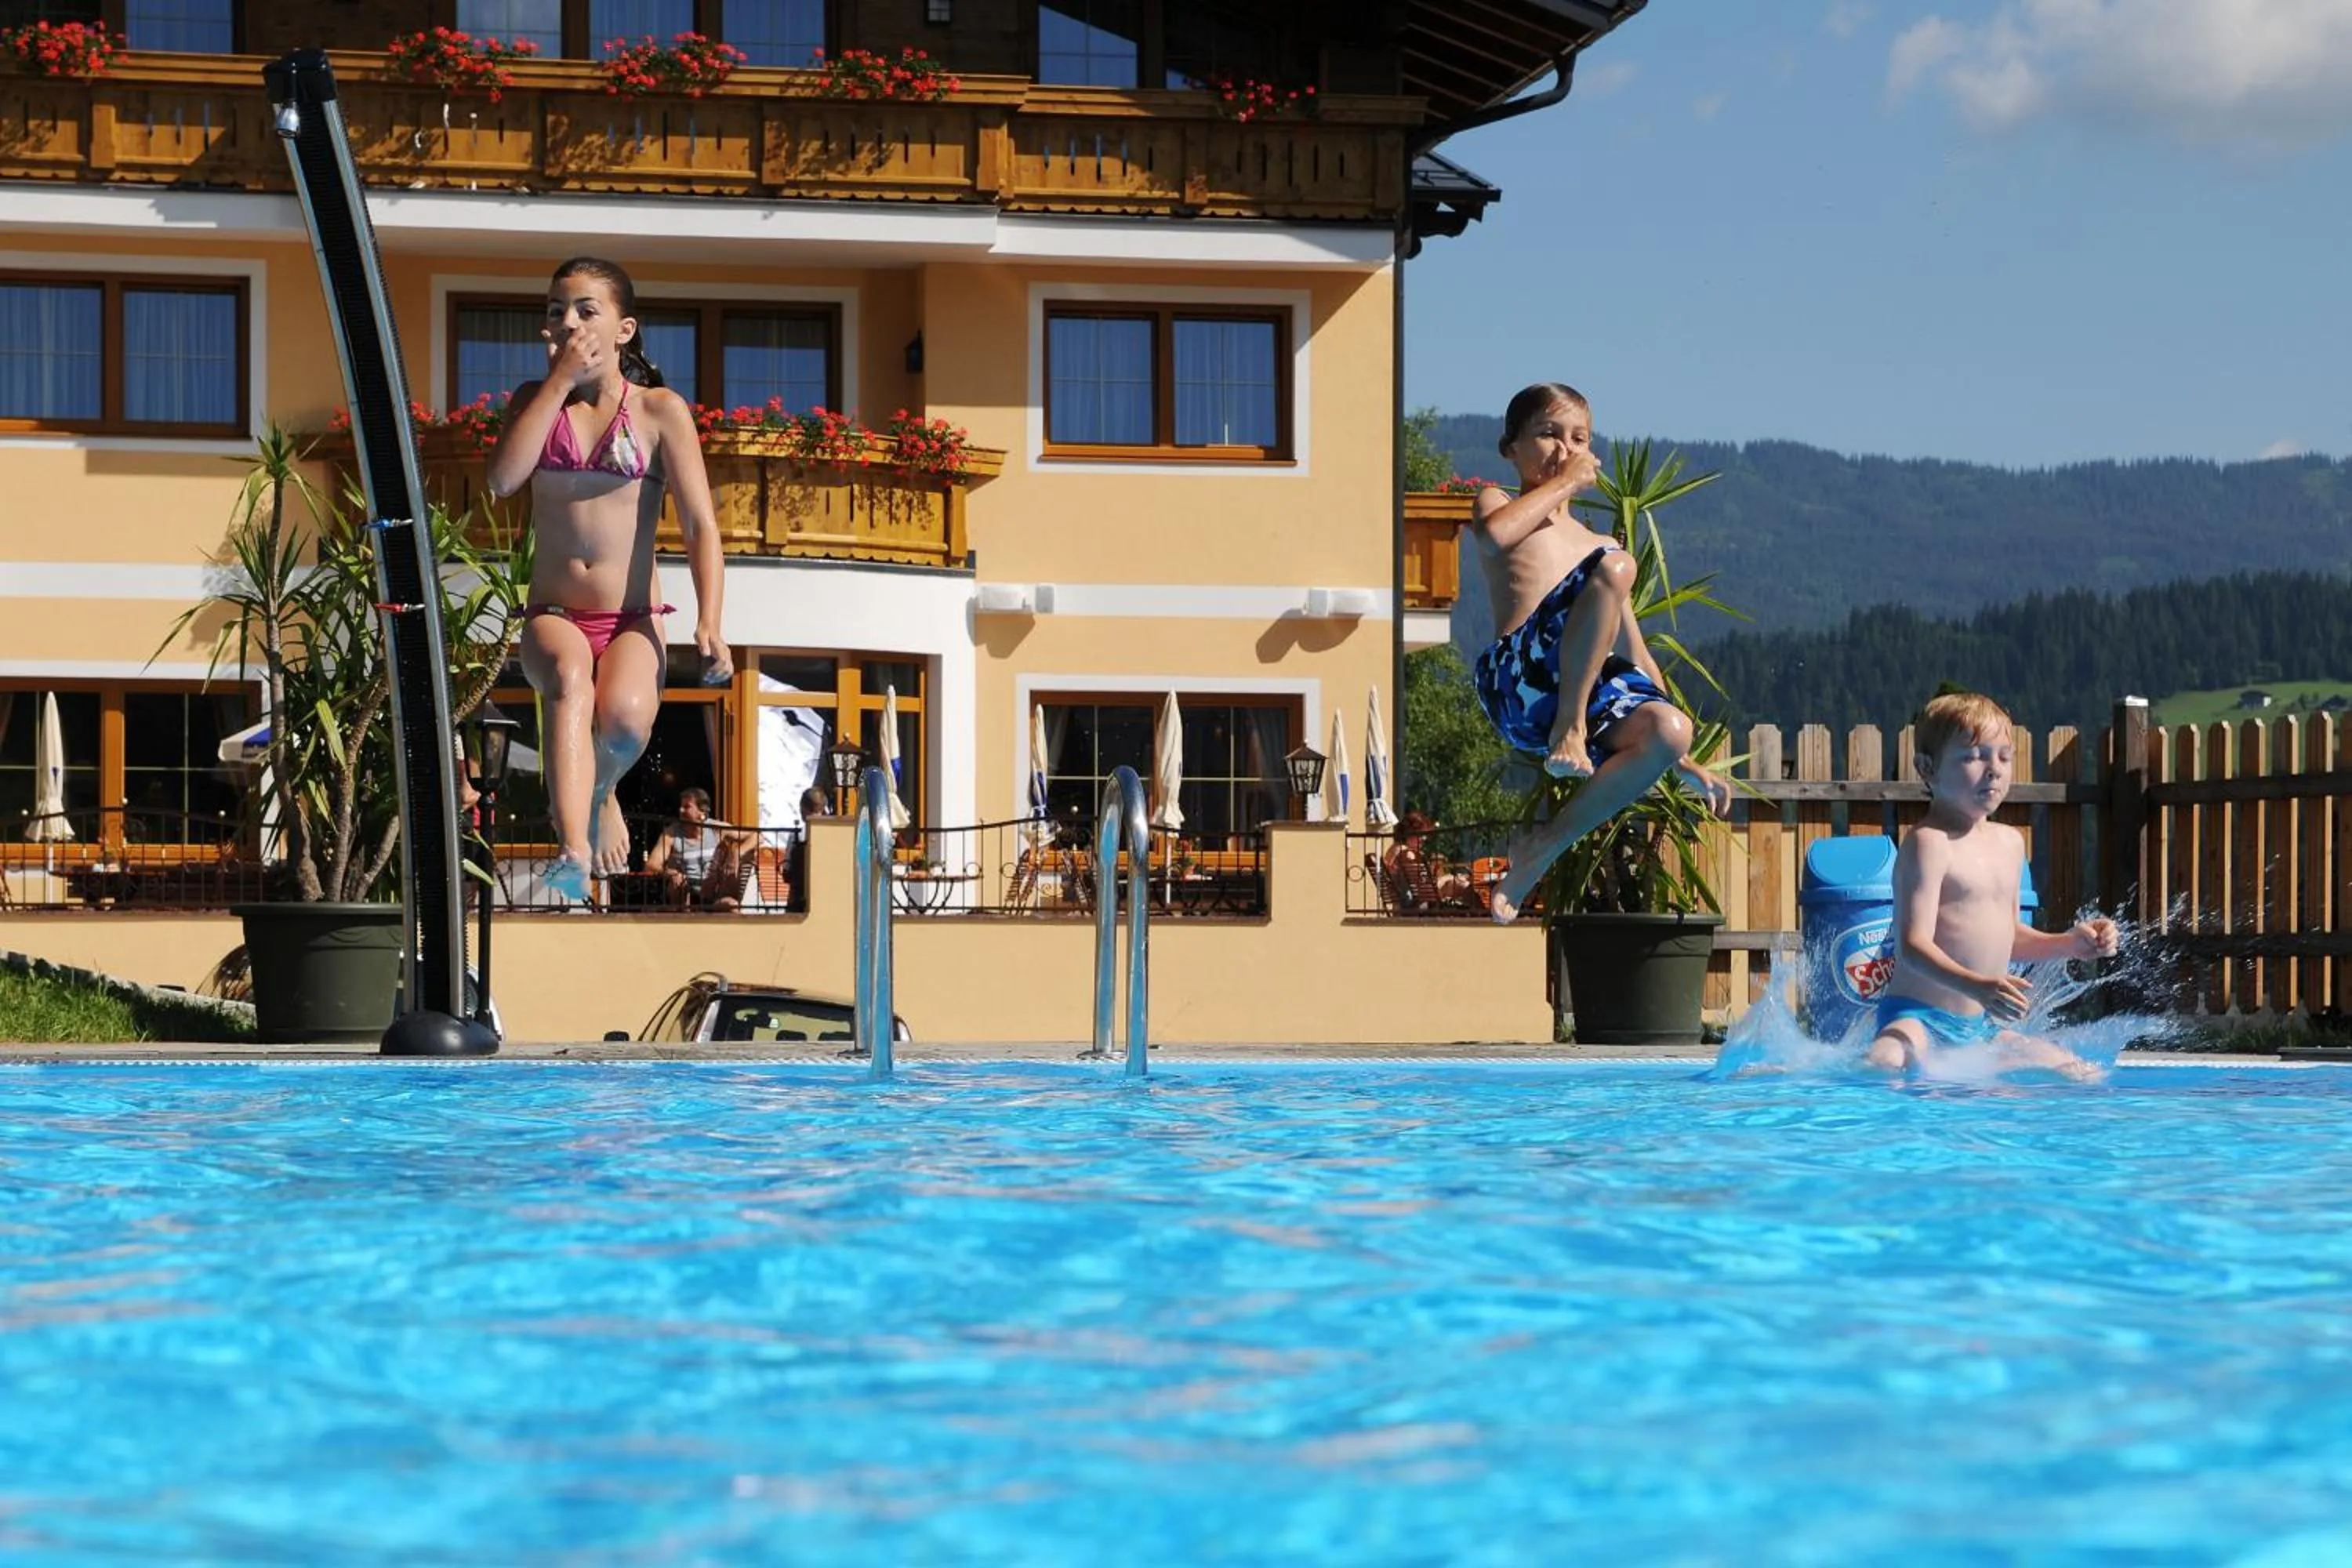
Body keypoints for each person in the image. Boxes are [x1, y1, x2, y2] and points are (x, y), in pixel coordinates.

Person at [487, 256, 731, 902]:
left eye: (585, 311)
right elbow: (503, 479)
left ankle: (599, 795)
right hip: (554, 613)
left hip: (632, 617)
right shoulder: (532, 405)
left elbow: (702, 524)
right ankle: (571, 850)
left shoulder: (658, 412)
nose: (568, 323)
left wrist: (710, 621)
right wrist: (560, 379)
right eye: (555, 312)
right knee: (568, 681)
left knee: (623, 722)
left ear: (624, 330)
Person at [1466, 382, 1731, 923]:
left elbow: (1633, 655)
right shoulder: (1499, 503)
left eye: (1578, 439)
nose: (1565, 449)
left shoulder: (1598, 549)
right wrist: (1564, 484)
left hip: (1582, 692)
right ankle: (1571, 729)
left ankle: (1541, 849)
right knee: (1617, 564)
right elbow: (1494, 539)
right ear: (1510, 448)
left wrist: (1678, 755)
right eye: (1547, 434)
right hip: (1520, 684)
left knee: (1669, 728)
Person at [1863, 691, 2119, 1080]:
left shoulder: (2010, 843)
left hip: (1981, 1027)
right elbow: (1912, 947)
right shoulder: (1929, 843)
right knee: (1884, 1064)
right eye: (1971, 757)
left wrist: (2068, 943)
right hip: (1918, 1017)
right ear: (1927, 768)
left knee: (2080, 1073)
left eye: (2003, 756)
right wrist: (1980, 986)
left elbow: (2007, 936)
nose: (1993, 769)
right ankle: (1793, 1074)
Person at [643, 787, 760, 911]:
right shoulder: (671, 834)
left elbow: (757, 836)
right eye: (681, 806)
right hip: (684, 898)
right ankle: (681, 924)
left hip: (713, 896)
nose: (681, 810)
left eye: (687, 807)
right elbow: (651, 865)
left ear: (702, 811)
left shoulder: (715, 829)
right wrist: (672, 873)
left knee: (733, 906)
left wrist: (738, 852)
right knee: (677, 886)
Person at [1382, 810, 1474, 911]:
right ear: (1410, 832)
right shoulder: (1407, 854)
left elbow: (1418, 883)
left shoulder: (1394, 849)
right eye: (1421, 834)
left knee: (1454, 881)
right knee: (1461, 885)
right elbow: (1426, 890)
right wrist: (1446, 879)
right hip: (1415, 907)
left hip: (1405, 904)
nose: (1424, 838)